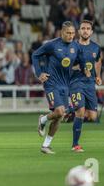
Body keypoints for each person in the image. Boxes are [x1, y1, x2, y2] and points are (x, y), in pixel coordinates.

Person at [33, 21, 86, 154]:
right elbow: (35, 55)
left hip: (65, 84)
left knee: (59, 117)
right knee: (60, 111)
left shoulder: (76, 46)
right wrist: (39, 73)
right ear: (61, 32)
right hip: (51, 83)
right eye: (68, 33)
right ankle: (43, 119)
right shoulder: (52, 45)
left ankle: (45, 145)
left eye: (73, 33)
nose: (71, 36)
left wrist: (84, 68)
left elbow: (80, 61)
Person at [68, 20, 102, 152]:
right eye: (83, 28)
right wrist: (80, 68)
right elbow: (67, 65)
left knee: (93, 116)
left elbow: (98, 61)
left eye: (88, 28)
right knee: (81, 112)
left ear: (91, 32)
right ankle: (75, 144)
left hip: (90, 84)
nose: (85, 30)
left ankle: (70, 110)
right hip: (76, 82)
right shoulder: (72, 47)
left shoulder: (95, 48)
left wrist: (98, 76)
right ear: (79, 31)